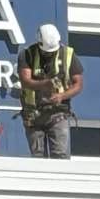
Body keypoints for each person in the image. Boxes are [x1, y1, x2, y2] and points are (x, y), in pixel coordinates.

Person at [19, 22, 83, 159]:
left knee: (59, 156)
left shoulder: (68, 55)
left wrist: (62, 96)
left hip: (58, 113)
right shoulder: (27, 54)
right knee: (38, 156)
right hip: (34, 115)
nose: (50, 54)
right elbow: (25, 81)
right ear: (39, 43)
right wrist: (44, 84)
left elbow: (78, 84)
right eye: (46, 52)